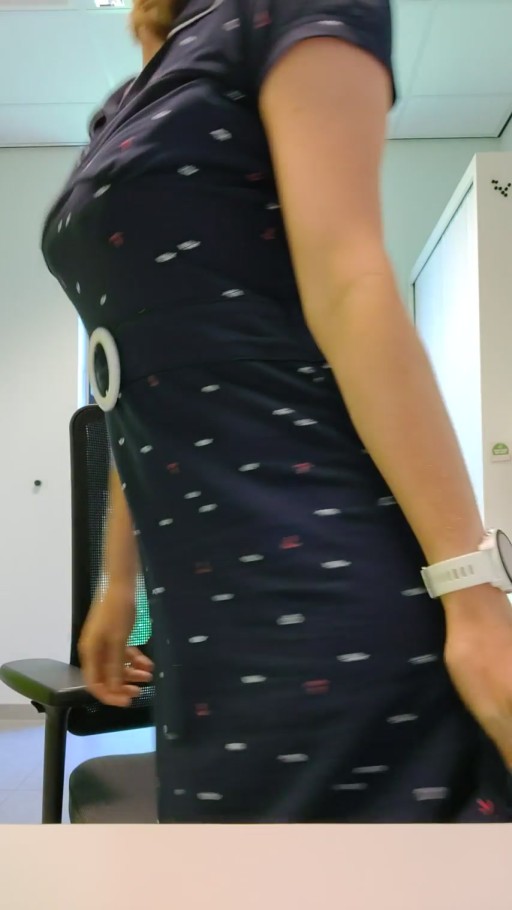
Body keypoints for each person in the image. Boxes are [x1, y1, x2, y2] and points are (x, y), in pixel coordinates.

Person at [41, 0, 512, 823]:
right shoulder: (132, 96)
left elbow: (350, 281)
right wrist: (120, 583)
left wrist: (474, 596)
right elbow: (142, 372)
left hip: (317, 573)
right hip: (200, 612)